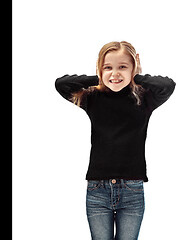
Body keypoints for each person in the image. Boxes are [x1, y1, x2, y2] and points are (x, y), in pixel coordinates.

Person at [55, 41, 175, 239]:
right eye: (108, 67)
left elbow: (168, 85)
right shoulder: (93, 97)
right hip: (97, 190)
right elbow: (62, 84)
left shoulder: (145, 99)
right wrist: (101, 77)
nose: (115, 73)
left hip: (132, 190)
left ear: (133, 68)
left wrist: (136, 76)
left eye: (122, 67)